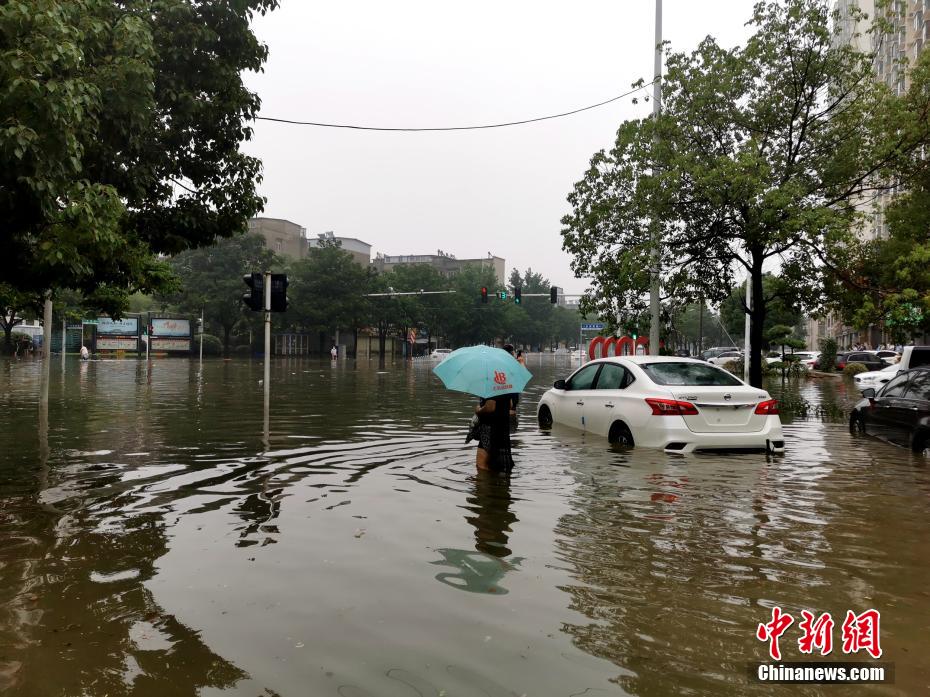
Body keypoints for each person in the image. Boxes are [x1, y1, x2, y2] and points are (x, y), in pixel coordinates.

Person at [474, 393, 516, 471]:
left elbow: (490, 407)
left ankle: (485, 481)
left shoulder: (492, 386)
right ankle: (496, 480)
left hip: (489, 428)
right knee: (497, 460)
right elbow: (510, 404)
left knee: (481, 465)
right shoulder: (506, 386)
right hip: (503, 428)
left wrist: (478, 410)